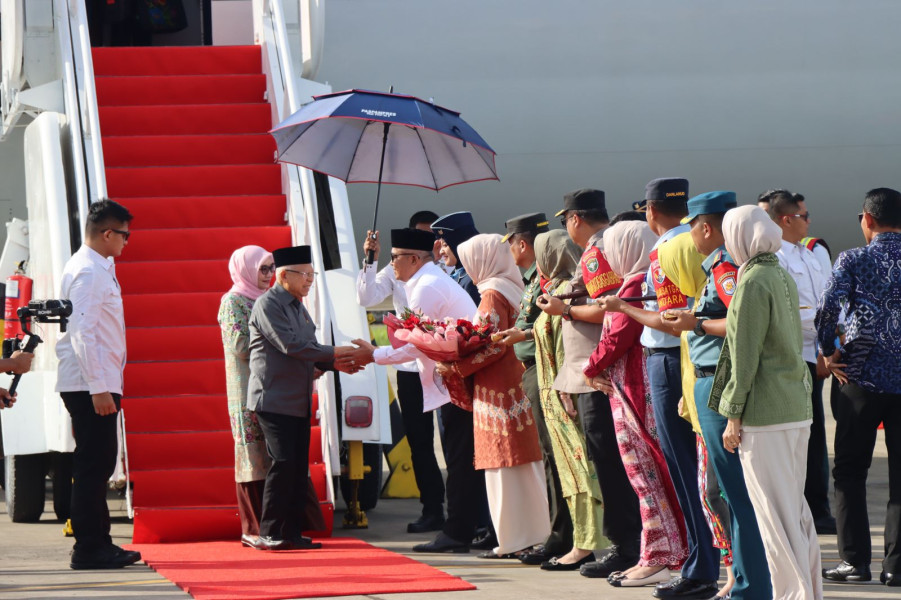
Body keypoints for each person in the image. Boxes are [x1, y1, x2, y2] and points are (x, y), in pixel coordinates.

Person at [599, 178, 721, 599]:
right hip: (690, 359)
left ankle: (701, 565)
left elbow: (668, 317)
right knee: (704, 472)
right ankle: (709, 560)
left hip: (671, 363)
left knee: (686, 472)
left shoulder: (666, 251)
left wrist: (620, 306)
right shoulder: (694, 244)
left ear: (649, 212)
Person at [664, 193, 772, 600]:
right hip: (712, 382)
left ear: (705, 227)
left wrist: (697, 323)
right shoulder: (721, 265)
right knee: (729, 491)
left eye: (691, 226)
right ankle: (746, 582)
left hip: (719, 385)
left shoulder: (725, 266)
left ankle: (750, 586)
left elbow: (740, 324)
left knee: (733, 493)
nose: (690, 234)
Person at [711, 205, 822, 599]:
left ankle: (793, 595)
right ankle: (807, 590)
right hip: (796, 408)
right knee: (794, 512)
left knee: (773, 519)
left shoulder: (753, 281)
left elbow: (744, 356)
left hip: (766, 413)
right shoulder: (781, 274)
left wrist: (732, 416)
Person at [354, 228, 482, 553]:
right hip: (452, 377)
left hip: (459, 378)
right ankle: (467, 526)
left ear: (413, 259)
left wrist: (375, 354)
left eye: (395, 257)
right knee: (458, 456)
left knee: (459, 457)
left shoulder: (424, 287)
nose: (391, 264)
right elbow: (417, 337)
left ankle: (458, 531)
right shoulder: (419, 283)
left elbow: (417, 346)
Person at [537, 189, 643, 575]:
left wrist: (563, 309)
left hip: (597, 374)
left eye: (566, 220)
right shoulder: (601, 248)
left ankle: (627, 543)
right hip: (595, 371)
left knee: (612, 463)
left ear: (575, 219)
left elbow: (611, 313)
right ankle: (631, 541)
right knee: (615, 461)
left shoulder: (597, 253)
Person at [583, 221, 689, 588]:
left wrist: (589, 367)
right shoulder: (644, 279)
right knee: (652, 476)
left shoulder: (633, 285)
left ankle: (661, 556)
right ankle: (661, 554)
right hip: (637, 389)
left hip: (633, 393)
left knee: (646, 476)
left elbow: (615, 337)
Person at [247, 245, 370, 551]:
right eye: (305, 275)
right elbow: (291, 346)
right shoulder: (269, 304)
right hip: (273, 399)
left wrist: (335, 364)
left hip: (297, 398)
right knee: (283, 464)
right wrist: (336, 352)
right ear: (283, 275)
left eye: (312, 275)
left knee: (296, 467)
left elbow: (310, 350)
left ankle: (290, 532)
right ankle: (270, 532)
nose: (310, 280)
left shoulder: (298, 305)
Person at [436, 233, 549, 557]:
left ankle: (514, 539)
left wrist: (456, 367)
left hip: (497, 389)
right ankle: (533, 532)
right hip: (513, 384)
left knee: (504, 462)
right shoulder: (511, 286)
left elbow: (493, 344)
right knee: (523, 462)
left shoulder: (491, 295)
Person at [817, 188, 901, 587]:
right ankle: (897, 567)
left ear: (867, 219)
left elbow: (828, 309)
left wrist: (829, 352)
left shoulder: (853, 258)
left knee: (849, 472)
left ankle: (854, 562)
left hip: (859, 378)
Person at [55, 199, 142, 570]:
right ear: (107, 234)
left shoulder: (94, 266)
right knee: (94, 464)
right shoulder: (89, 272)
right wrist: (98, 387)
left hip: (94, 380)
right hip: (90, 383)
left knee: (98, 462)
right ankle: (89, 548)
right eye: (123, 235)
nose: (126, 242)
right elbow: (83, 332)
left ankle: (97, 543)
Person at [356, 213, 447, 534]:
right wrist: (370, 258)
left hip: (444, 363)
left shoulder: (442, 271)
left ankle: (467, 508)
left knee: (452, 440)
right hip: (410, 365)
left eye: (433, 238)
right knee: (420, 441)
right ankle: (432, 507)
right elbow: (366, 297)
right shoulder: (396, 268)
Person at [495, 213, 574, 561]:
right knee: (549, 455)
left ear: (522, 243)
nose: (509, 250)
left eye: (510, 242)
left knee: (555, 456)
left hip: (544, 370)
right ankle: (559, 533)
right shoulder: (532, 280)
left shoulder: (546, 280)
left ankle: (562, 535)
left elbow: (548, 326)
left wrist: (521, 335)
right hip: (534, 369)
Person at [528, 229, 607, 572]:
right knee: (570, 472)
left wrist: (565, 390)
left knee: (579, 472)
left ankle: (585, 544)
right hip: (556, 391)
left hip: (565, 392)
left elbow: (569, 347)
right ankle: (580, 540)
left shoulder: (568, 293)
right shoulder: (560, 290)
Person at [765, 189, 836, 535]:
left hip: (819, 357)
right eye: (804, 216)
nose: (810, 221)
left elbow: (827, 303)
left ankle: (817, 507)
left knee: (814, 435)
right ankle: (797, 507)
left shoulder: (812, 254)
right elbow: (791, 313)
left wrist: (829, 346)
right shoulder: (773, 258)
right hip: (794, 357)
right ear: (786, 219)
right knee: (795, 438)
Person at [218, 246, 276, 546]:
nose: (269, 275)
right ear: (246, 269)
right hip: (246, 390)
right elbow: (240, 345)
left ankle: (271, 526)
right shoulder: (233, 301)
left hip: (271, 388)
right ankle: (252, 529)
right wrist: (276, 336)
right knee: (251, 458)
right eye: (262, 269)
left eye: (271, 268)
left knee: (270, 456)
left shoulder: (267, 299)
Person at [431, 212, 481, 305]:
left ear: (459, 244)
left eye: (445, 245)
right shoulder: (458, 274)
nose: (441, 251)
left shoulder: (472, 280)